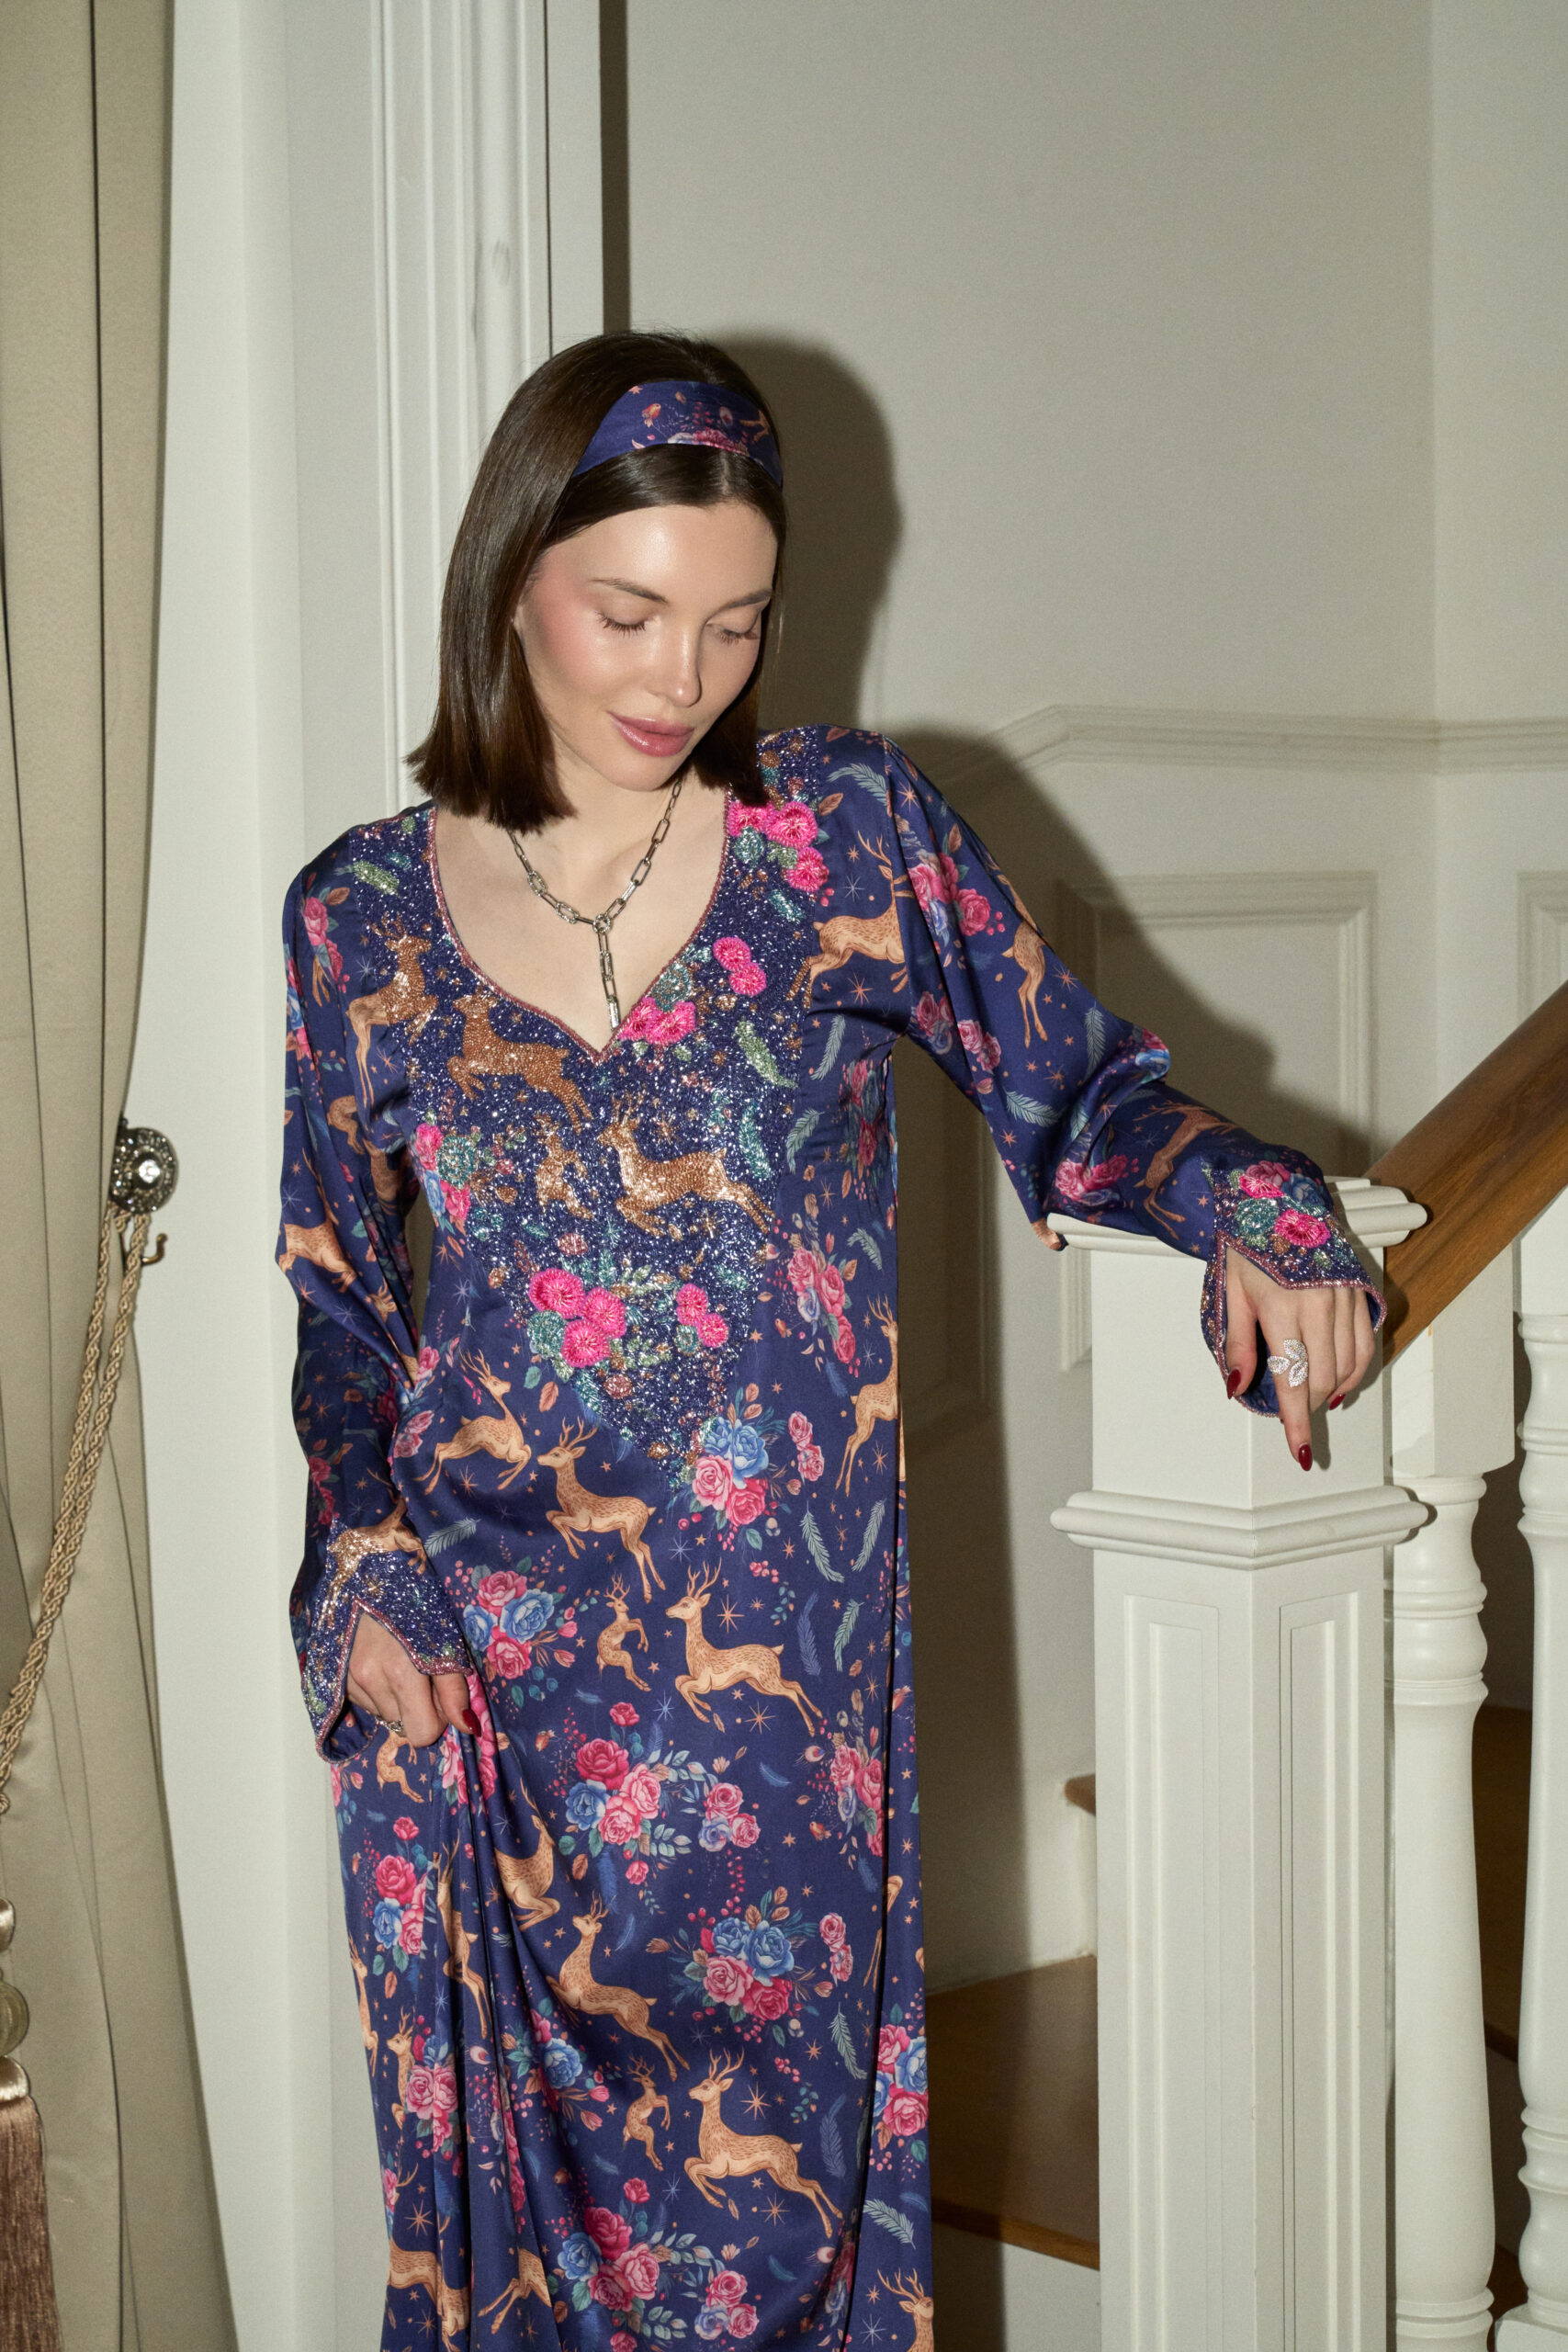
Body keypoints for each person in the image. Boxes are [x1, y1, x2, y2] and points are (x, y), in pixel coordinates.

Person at [277, 331, 1381, 2348]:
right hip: (485, 1697)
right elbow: (343, 1300)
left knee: (773, 2254)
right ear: (512, 577)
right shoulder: (356, 917)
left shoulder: (844, 839)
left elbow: (1077, 1093)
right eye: (627, 611)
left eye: (734, 620)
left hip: (776, 1707)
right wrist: (356, 1553)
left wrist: (1249, 1195)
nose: (680, 677)